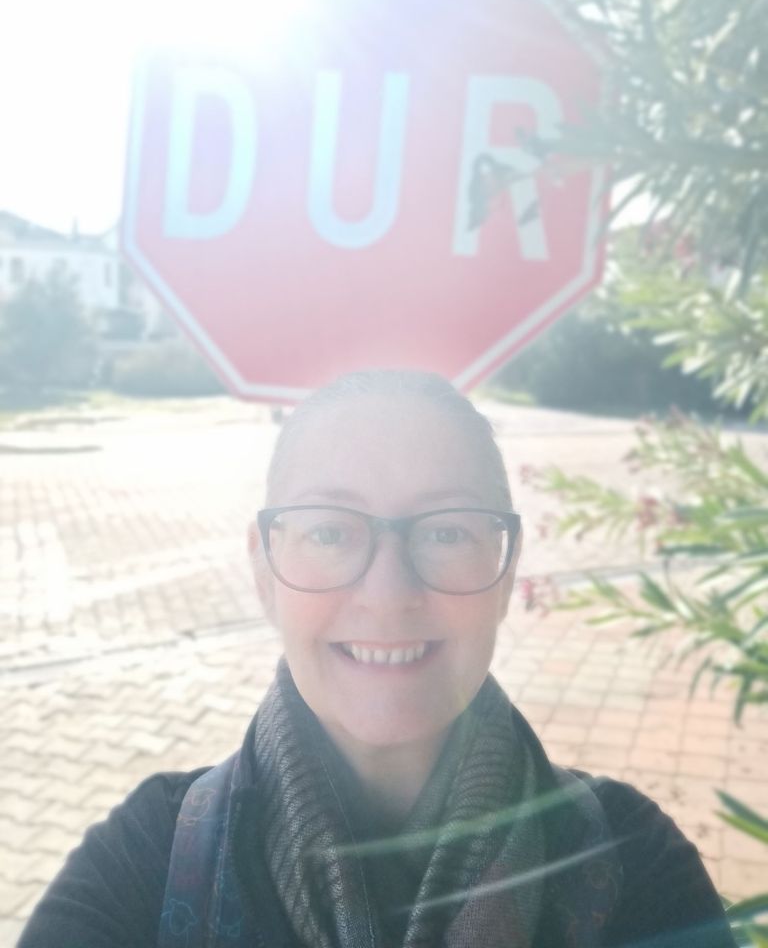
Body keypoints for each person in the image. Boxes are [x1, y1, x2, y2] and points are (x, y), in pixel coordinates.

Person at [19, 370, 735, 948]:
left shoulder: (632, 864)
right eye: (330, 533)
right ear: (264, 571)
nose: (388, 596)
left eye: (447, 533)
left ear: (507, 571)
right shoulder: (147, 862)